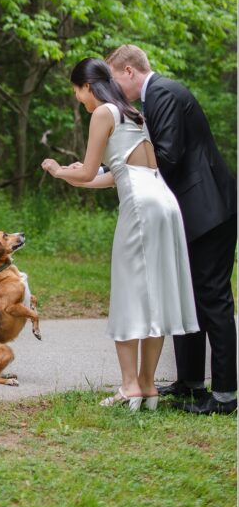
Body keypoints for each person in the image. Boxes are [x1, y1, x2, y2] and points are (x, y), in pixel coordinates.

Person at [42, 57, 198, 411]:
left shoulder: (103, 113)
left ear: (87, 86)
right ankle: (147, 386)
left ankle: (129, 386)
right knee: (155, 294)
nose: (79, 100)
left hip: (141, 208)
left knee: (129, 293)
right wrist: (77, 175)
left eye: (77, 92)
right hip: (164, 201)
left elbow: (84, 172)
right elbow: (115, 173)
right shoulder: (132, 113)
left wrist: (57, 170)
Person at [107, 44, 237, 416]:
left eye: (115, 81)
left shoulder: (161, 92)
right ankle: (191, 382)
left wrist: (114, 172)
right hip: (194, 212)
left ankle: (226, 395)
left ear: (130, 71)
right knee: (190, 297)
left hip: (209, 210)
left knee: (213, 299)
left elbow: (167, 156)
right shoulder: (157, 96)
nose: (114, 92)